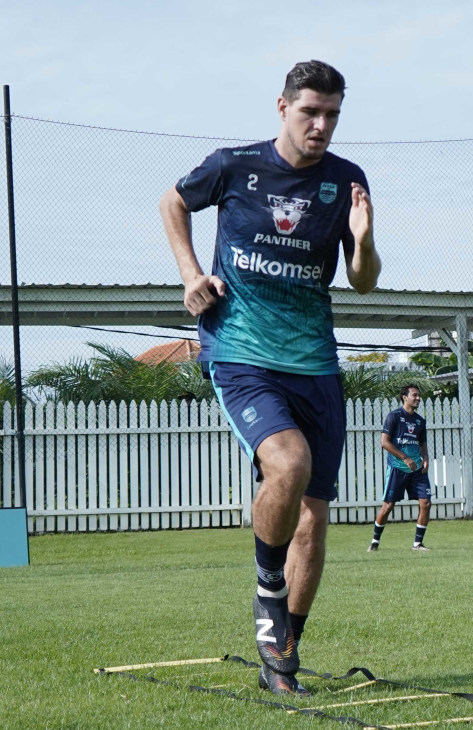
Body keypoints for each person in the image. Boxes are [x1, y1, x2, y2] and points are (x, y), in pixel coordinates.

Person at [160, 60, 381, 696]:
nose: (322, 125)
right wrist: (190, 273)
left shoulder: (347, 181)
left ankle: (281, 659)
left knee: (312, 523)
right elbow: (174, 199)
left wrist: (362, 241)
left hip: (315, 363)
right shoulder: (233, 166)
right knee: (288, 464)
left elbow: (362, 280)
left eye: (333, 114)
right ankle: (266, 584)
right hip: (241, 352)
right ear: (281, 107)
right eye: (311, 111)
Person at [370, 385, 432, 552]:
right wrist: (404, 458)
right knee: (388, 506)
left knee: (425, 503)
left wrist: (425, 458)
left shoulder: (420, 421)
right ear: (405, 397)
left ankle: (417, 544)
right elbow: (385, 443)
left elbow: (422, 443)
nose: (418, 398)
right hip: (397, 467)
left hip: (417, 469)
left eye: (419, 395)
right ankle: (375, 541)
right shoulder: (394, 416)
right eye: (415, 395)